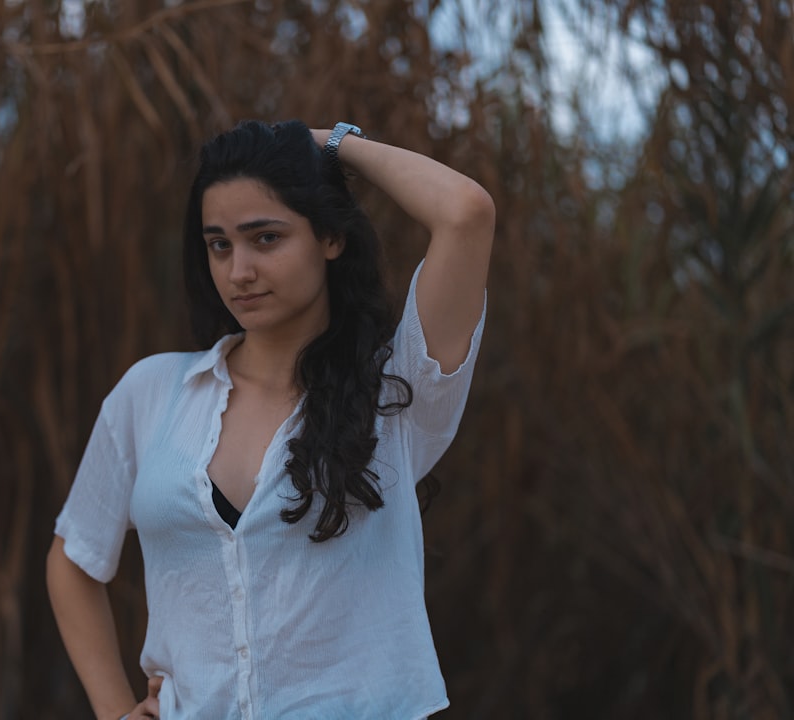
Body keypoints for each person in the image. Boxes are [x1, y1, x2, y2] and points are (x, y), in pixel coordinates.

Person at [46, 119, 494, 720]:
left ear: (330, 236)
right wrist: (112, 710)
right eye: (219, 244)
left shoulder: (396, 395)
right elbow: (74, 558)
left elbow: (465, 213)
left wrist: (329, 144)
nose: (239, 273)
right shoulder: (152, 393)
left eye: (266, 238)